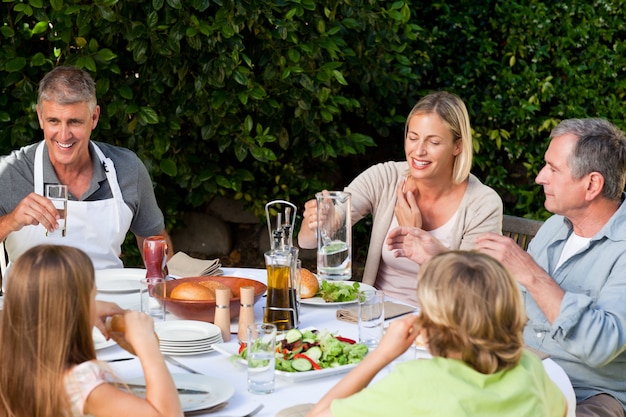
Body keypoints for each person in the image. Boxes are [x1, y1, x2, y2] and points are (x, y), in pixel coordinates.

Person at [474, 118, 626, 417]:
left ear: (592, 184)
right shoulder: (555, 227)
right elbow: (510, 309)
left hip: (592, 395)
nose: (540, 177)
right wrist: (438, 256)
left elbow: (600, 346)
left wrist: (531, 274)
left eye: (553, 169)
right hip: (524, 374)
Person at [298, 91, 502, 305]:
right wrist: (319, 222)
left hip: (443, 324)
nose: (418, 151)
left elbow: (475, 294)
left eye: (433, 142)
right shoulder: (385, 178)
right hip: (375, 316)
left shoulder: (483, 204)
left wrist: (417, 237)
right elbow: (308, 241)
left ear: (457, 146)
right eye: (413, 138)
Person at [306, 251, 567, 417]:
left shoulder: (415, 383)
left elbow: (318, 414)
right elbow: (562, 410)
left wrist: (381, 354)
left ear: (431, 324)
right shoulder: (529, 366)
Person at [0, 65, 173, 277]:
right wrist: (11, 221)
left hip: (109, 304)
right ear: (40, 116)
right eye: (54, 121)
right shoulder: (9, 172)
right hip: (30, 306)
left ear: (94, 118)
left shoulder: (127, 169)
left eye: (74, 122)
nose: (64, 135)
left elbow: (154, 241)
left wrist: (168, 295)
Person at [0, 244, 183, 417]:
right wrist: (147, 345)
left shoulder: (13, 359)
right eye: (92, 296)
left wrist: (86, 308)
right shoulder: (77, 382)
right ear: (74, 310)